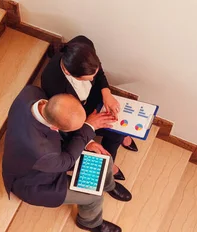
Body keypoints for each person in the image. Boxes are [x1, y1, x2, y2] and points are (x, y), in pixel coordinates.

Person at [2, 85, 132, 232]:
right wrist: (88, 129)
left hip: (51, 156)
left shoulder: (31, 93)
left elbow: (63, 127)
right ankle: (89, 222)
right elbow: (66, 162)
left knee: (102, 158)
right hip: (35, 182)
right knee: (93, 196)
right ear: (55, 128)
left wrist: (88, 141)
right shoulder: (42, 151)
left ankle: (108, 184)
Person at [41, 35, 138, 181]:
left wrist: (106, 92)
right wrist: (88, 129)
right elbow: (64, 121)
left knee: (117, 128)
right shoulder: (53, 84)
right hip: (75, 117)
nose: (93, 79)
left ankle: (117, 142)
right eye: (87, 78)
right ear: (68, 73)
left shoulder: (84, 44)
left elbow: (98, 73)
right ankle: (108, 166)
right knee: (111, 133)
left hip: (92, 102)